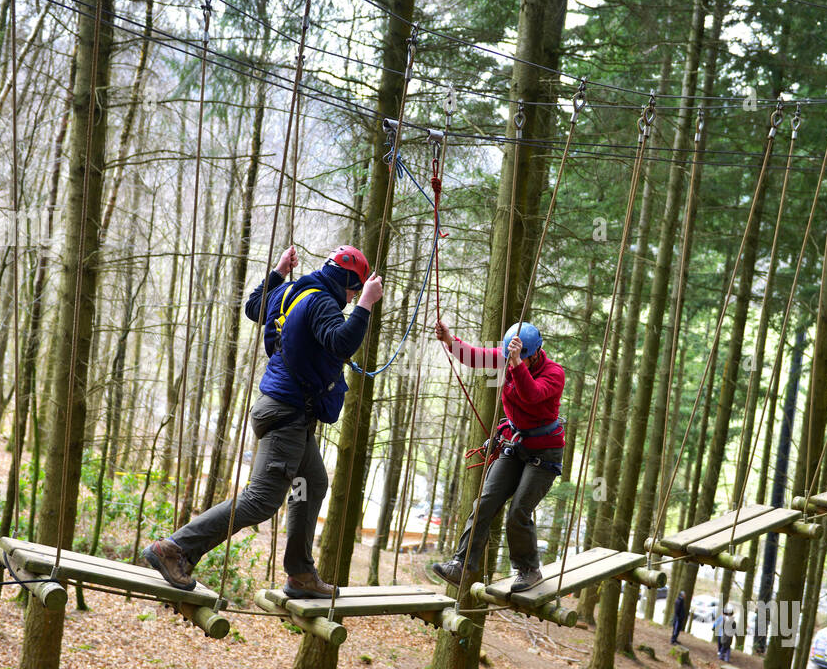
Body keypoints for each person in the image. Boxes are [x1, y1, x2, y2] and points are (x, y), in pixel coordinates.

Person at [140, 245, 383, 599]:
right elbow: (340, 342)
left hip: (286, 412)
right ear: (347, 282)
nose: (352, 297)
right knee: (260, 501)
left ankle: (300, 572)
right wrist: (366, 307)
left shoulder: (290, 290)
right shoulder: (322, 304)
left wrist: (278, 273)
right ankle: (175, 548)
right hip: (287, 415)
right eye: (354, 290)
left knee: (311, 482)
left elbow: (255, 307)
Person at [428, 319, 565, 593]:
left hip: (545, 452)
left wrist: (515, 365)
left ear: (536, 353)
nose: (515, 363)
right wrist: (450, 341)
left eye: (521, 359)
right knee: (485, 502)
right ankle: (462, 564)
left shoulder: (554, 373)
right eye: (512, 358)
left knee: (518, 511)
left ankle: (529, 569)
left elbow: (532, 395)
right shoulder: (508, 359)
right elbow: (476, 356)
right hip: (515, 444)